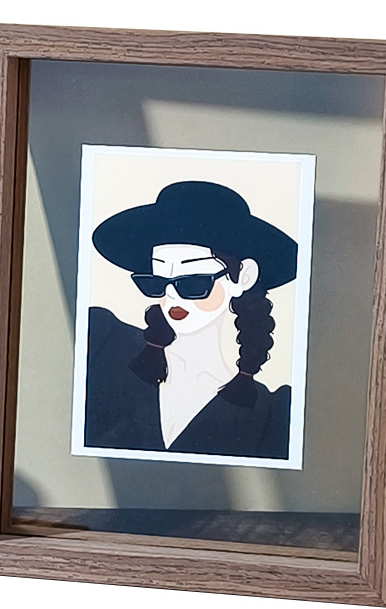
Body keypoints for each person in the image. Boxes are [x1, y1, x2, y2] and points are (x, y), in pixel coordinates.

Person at [84, 180, 297, 460]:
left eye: (193, 283)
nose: (172, 297)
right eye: (157, 282)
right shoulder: (102, 342)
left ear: (243, 278)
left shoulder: (270, 414)